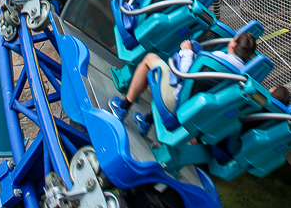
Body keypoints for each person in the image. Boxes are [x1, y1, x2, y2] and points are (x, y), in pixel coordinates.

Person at [109, 32, 257, 135]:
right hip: (193, 115)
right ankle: (146, 121)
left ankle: (123, 107)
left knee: (150, 59)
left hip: (176, 102)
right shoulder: (242, 78)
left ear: (233, 43)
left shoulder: (218, 59)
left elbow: (186, 73)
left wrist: (187, 52)